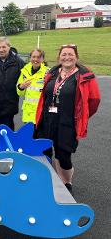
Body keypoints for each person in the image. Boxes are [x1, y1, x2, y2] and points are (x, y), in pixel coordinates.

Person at [36, 44, 100, 193]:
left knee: (63, 155)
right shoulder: (52, 73)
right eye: (64, 54)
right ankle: (49, 180)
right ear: (59, 57)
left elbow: (94, 100)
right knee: (44, 151)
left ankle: (66, 183)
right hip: (47, 120)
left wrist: (81, 115)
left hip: (67, 123)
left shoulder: (84, 76)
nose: (67, 57)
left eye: (70, 54)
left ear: (76, 57)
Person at [17, 49, 48, 124]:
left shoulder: (47, 73)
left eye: (38, 57)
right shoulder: (24, 71)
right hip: (28, 115)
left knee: (39, 136)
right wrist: (21, 87)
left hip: (41, 114)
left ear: (43, 59)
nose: (35, 59)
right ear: (30, 58)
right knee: (28, 135)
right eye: (33, 57)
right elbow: (20, 93)